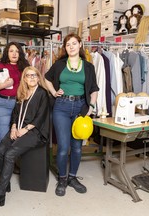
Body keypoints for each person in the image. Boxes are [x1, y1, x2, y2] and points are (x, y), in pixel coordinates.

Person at [0, 66, 50, 210]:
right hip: (18, 128)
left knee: (10, 153)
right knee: (0, 150)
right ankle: (5, 184)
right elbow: (15, 113)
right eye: (28, 76)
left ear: (38, 77)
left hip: (34, 131)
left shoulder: (42, 93)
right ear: (24, 78)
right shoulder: (22, 93)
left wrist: (24, 130)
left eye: (34, 75)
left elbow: (40, 117)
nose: (31, 78)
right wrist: (13, 127)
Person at [45, 33, 99, 197]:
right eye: (68, 44)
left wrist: (90, 106)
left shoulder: (88, 67)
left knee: (76, 147)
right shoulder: (59, 64)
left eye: (74, 43)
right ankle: (62, 178)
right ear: (65, 48)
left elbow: (94, 89)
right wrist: (54, 92)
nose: (71, 47)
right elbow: (46, 78)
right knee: (62, 147)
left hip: (80, 107)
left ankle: (73, 177)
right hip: (61, 107)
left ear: (80, 45)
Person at [0, 42, 29, 146]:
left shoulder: (25, 67)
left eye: (17, 51)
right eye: (11, 51)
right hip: (2, 105)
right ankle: (3, 162)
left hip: (20, 105)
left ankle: (12, 162)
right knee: (4, 139)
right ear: (7, 53)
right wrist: (4, 84)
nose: (14, 54)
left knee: (19, 138)